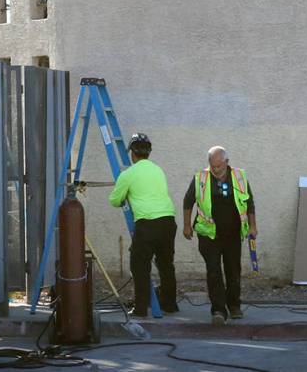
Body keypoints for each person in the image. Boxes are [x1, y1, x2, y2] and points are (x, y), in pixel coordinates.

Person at [183, 145, 257, 326]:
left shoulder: (239, 177)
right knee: (214, 270)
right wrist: (186, 225)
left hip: (232, 234)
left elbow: (250, 203)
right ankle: (218, 310)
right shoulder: (201, 178)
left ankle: (234, 305)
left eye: (219, 166)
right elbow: (188, 201)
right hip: (209, 235)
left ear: (227, 162)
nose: (216, 170)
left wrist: (253, 226)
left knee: (233, 269)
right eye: (212, 166)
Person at [108, 133, 179, 316]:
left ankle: (140, 308)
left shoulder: (128, 174)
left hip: (147, 223)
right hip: (168, 220)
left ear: (132, 152)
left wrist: (125, 194)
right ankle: (169, 304)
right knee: (166, 264)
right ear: (149, 152)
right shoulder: (158, 170)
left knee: (139, 265)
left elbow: (115, 201)